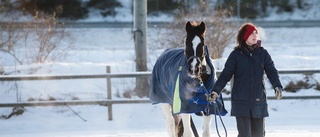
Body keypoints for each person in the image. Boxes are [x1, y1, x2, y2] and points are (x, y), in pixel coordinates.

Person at [209, 23, 283, 137]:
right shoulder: (236, 55)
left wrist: (277, 86)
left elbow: (272, 71)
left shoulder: (263, 54)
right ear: (244, 36)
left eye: (256, 33)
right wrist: (215, 91)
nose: (255, 35)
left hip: (258, 101)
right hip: (241, 101)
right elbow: (225, 75)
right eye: (251, 33)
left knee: (259, 134)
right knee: (244, 134)